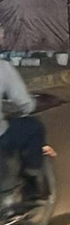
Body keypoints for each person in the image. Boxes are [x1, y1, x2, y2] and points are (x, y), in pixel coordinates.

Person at [0, 60, 47, 198]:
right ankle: (30, 183)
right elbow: (24, 102)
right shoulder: (3, 68)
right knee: (33, 127)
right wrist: (30, 105)